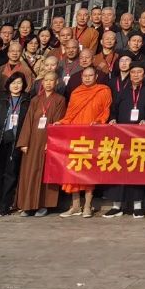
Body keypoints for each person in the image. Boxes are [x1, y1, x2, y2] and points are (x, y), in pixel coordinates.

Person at [55, 66, 112, 217]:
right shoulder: (76, 92)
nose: (87, 78)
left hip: (93, 136)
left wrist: (100, 121)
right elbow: (70, 114)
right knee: (73, 170)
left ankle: (87, 205)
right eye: (85, 76)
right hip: (75, 135)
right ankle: (75, 206)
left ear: (96, 76)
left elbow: (106, 111)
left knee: (88, 171)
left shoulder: (103, 91)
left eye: (90, 75)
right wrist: (61, 123)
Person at [103, 63, 145, 218]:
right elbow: (113, 110)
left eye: (139, 71)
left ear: (144, 74)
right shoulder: (122, 92)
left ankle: (137, 205)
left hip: (140, 138)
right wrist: (113, 119)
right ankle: (116, 205)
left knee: (137, 168)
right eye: (133, 72)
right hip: (121, 137)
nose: (135, 75)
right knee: (118, 169)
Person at [15, 71, 68, 216]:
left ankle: (43, 205)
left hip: (47, 141)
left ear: (57, 82)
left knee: (45, 173)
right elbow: (28, 121)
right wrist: (24, 142)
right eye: (46, 80)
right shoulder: (35, 100)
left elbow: (58, 123)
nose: (49, 83)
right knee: (30, 172)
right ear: (42, 83)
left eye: (52, 80)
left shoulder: (60, 100)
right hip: (33, 141)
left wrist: (51, 142)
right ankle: (27, 205)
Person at [0, 73, 29, 215]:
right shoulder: (2, 99)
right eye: (13, 83)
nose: (16, 86)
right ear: (8, 85)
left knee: (11, 174)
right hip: (0, 141)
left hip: (16, 142)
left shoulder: (27, 101)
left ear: (23, 85)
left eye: (19, 83)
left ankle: (5, 206)